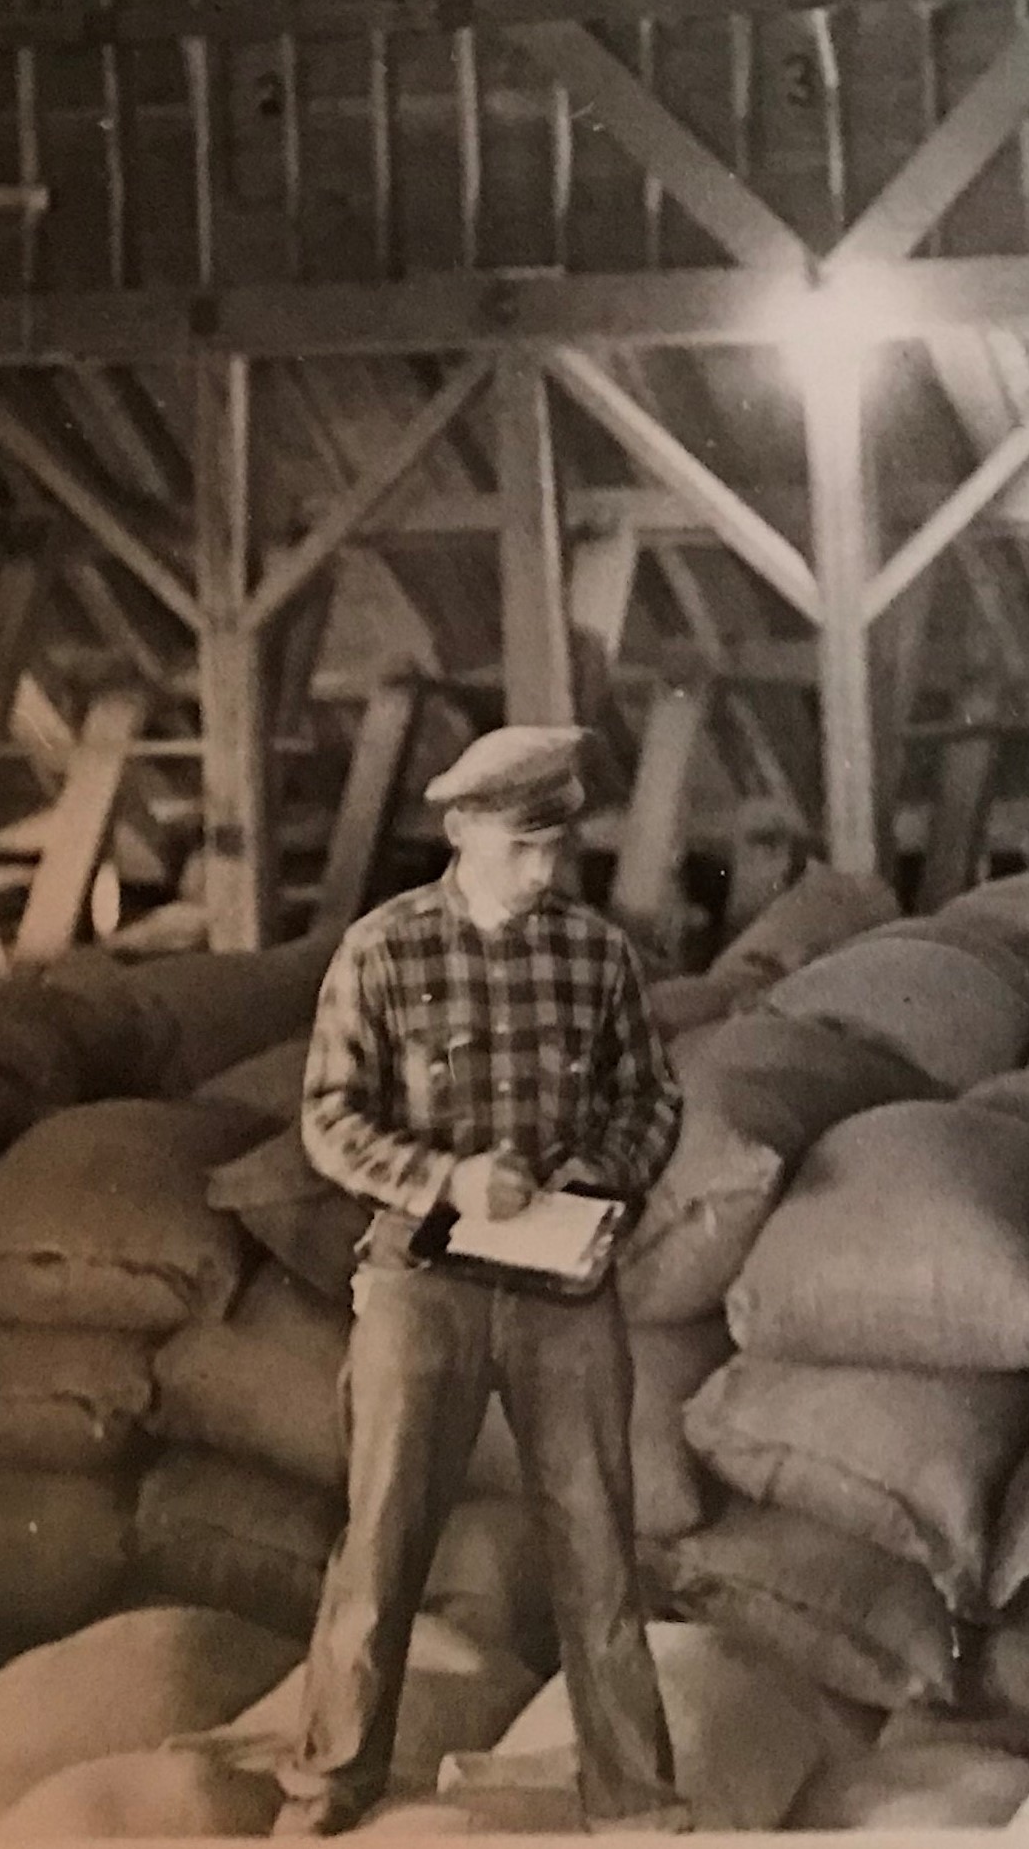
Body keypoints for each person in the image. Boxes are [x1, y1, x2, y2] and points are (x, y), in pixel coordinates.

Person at [280, 723, 689, 1836]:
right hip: (423, 1281)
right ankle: (329, 1790)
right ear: (459, 831)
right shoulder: (382, 951)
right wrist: (444, 1177)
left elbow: (649, 1099)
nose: (545, 869)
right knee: (379, 1544)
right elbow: (326, 1118)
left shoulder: (594, 954)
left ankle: (635, 1804)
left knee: (599, 1547)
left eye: (558, 845)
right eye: (521, 846)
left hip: (561, 1292)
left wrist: (595, 1177)